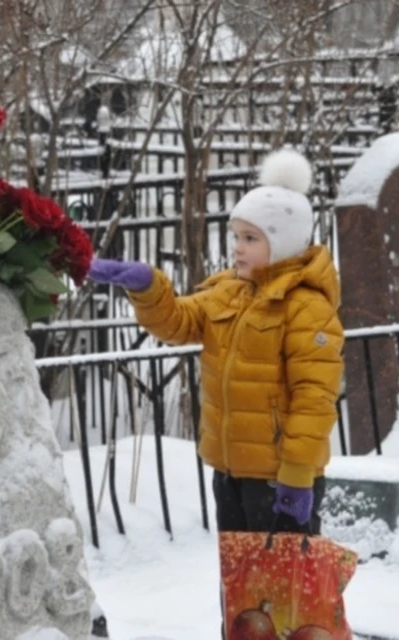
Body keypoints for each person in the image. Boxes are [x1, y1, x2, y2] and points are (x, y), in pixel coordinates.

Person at [87, 149, 343, 538]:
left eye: (251, 238)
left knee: (282, 590)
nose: (237, 246)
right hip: (230, 472)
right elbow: (178, 320)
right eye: (236, 236)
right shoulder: (229, 292)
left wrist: (296, 478)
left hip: (278, 479)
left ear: (284, 242)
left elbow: (314, 402)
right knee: (240, 588)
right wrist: (146, 286)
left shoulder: (307, 309)